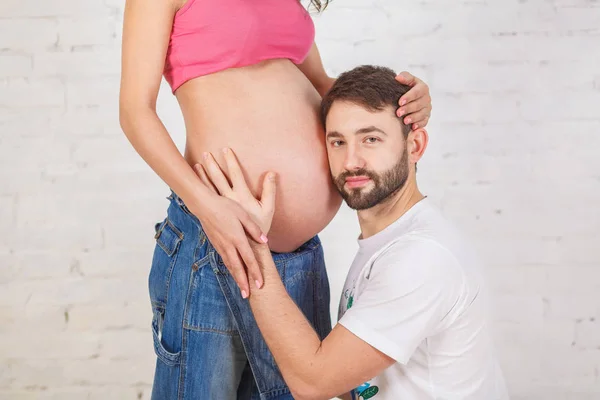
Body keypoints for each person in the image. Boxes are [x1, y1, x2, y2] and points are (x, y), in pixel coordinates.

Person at [118, 0, 433, 398]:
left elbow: (324, 86)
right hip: (218, 240)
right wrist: (208, 207)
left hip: (297, 256)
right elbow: (134, 111)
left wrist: (402, 102)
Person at [196, 65, 508, 400]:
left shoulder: (422, 257)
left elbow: (314, 383)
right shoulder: (385, 245)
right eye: (338, 142)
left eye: (371, 139)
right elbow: (352, 384)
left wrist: (252, 243)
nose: (351, 161)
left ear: (415, 145)